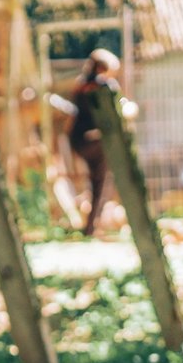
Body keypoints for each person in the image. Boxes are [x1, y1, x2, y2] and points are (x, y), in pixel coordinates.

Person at [69, 48, 135, 236]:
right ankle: (93, 225)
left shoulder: (80, 84)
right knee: (102, 180)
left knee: (98, 180)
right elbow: (117, 108)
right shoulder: (104, 86)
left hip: (78, 140)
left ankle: (91, 226)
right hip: (95, 140)